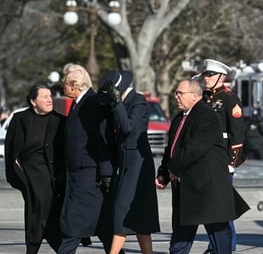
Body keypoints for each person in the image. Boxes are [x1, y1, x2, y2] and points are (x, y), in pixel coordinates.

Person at [155, 79, 250, 254]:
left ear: (194, 96)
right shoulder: (179, 118)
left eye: (180, 93)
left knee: (219, 233)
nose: (176, 97)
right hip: (186, 189)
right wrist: (164, 174)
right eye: (176, 93)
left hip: (208, 188)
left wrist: (172, 168)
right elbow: (172, 148)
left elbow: (194, 149)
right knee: (181, 238)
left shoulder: (207, 116)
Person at [97, 70, 160, 254]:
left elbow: (128, 128)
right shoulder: (117, 103)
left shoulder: (138, 100)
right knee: (139, 215)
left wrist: (117, 104)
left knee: (122, 210)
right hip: (125, 165)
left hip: (139, 165)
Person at [57, 63, 117, 254]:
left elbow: (103, 139)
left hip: (89, 175)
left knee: (73, 225)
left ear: (74, 86)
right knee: (102, 228)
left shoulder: (93, 103)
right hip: (78, 175)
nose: (62, 87)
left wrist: (106, 172)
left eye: (64, 84)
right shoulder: (79, 103)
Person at [4, 84, 65, 254]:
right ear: (33, 101)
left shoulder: (60, 120)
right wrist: (17, 178)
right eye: (44, 96)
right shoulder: (19, 119)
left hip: (50, 177)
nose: (49, 99)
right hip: (28, 177)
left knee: (43, 214)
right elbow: (10, 151)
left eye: (50, 96)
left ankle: (39, 246)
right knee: (39, 213)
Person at [199, 58, 246, 253]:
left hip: (222, 161)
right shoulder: (205, 98)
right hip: (207, 160)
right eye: (205, 75)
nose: (206, 78)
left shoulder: (229, 99)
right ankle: (215, 246)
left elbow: (237, 133)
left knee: (223, 208)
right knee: (212, 207)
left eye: (210, 75)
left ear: (221, 76)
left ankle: (226, 247)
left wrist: (231, 162)